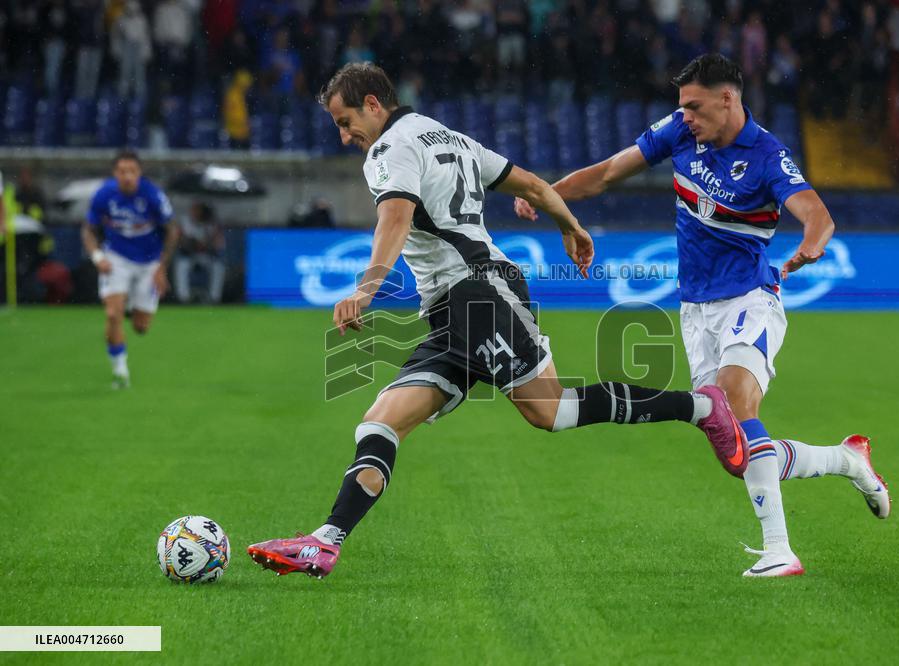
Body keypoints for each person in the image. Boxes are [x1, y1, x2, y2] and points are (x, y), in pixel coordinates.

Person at [247, 62, 747, 580]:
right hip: (450, 311)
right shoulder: (451, 138)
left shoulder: (389, 150)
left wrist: (365, 288)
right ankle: (325, 542)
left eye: (346, 120)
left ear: (374, 104)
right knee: (379, 421)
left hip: (478, 293)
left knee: (549, 411)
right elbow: (529, 183)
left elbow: (395, 217)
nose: (345, 134)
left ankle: (700, 407)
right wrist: (569, 224)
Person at [514, 53, 891, 577]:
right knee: (738, 453)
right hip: (695, 312)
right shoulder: (679, 133)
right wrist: (546, 194)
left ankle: (780, 550)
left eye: (693, 106)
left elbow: (817, 215)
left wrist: (810, 245)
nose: (685, 116)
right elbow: (606, 175)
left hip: (750, 299)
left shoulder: (766, 155)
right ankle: (847, 460)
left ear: (727, 99)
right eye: (681, 107)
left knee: (737, 400)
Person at [81, 150, 178, 388]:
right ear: (115, 173)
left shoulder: (152, 195)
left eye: (132, 171)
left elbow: (173, 230)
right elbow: (88, 229)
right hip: (117, 258)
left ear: (139, 173)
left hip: (149, 262)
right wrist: (97, 256)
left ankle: (132, 305)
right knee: (112, 315)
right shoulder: (104, 195)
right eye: (122, 171)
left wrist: (161, 268)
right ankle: (120, 371)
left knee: (140, 327)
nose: (127, 176)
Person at [173, 201, 225, 304]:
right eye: (193, 210)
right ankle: (184, 298)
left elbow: (220, 245)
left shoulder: (212, 223)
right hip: (188, 255)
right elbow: (180, 241)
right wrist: (192, 243)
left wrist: (210, 243)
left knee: (218, 267)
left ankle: (213, 298)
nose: (194, 213)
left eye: (197, 210)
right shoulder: (185, 221)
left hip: (207, 256)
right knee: (181, 266)